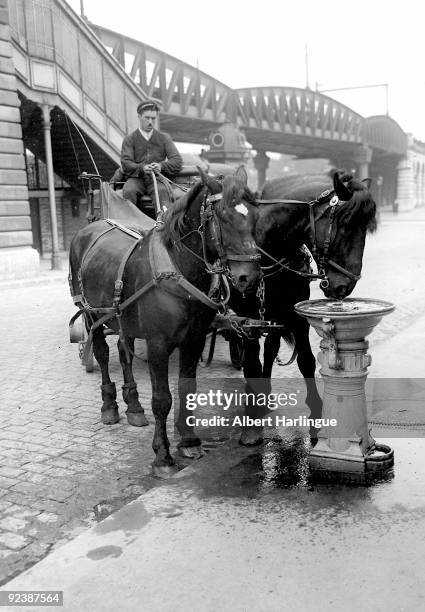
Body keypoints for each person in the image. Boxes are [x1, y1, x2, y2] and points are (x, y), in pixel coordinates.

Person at [120, 101, 183, 210]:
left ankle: (164, 224)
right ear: (139, 117)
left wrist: (161, 166)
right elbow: (126, 163)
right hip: (136, 179)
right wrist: (142, 168)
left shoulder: (164, 138)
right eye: (147, 118)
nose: (150, 122)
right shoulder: (130, 139)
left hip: (157, 179)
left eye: (153, 118)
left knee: (163, 192)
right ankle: (128, 224)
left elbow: (177, 160)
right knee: (129, 191)